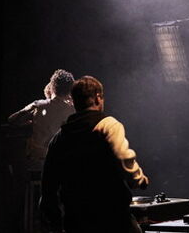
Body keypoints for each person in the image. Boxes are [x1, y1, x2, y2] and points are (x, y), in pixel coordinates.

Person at [40, 76, 149, 233]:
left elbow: (48, 182)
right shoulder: (108, 125)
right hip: (111, 215)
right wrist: (139, 179)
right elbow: (123, 157)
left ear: (74, 102)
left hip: (75, 219)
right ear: (98, 97)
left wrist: (54, 217)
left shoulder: (60, 137)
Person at [8, 68, 76, 169]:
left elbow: (12, 120)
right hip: (62, 161)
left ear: (52, 86)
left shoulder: (38, 105)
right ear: (69, 90)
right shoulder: (74, 110)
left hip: (37, 161)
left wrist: (30, 122)